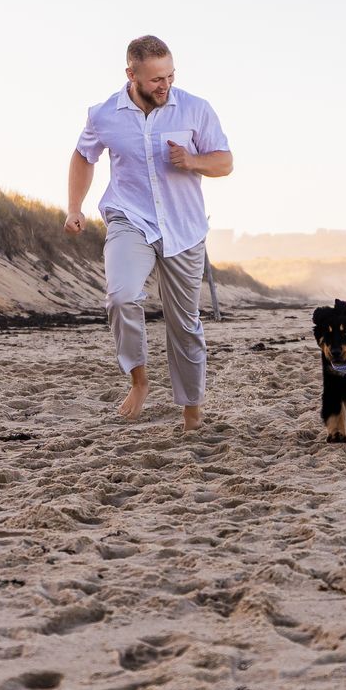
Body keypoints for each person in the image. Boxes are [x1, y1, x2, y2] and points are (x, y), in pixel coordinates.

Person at [65, 35, 233, 431]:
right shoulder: (104, 114)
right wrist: (74, 207)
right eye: (156, 78)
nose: (165, 85)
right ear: (132, 74)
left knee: (184, 322)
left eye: (170, 75)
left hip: (184, 228)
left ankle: (191, 409)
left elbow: (225, 162)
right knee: (121, 296)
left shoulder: (195, 108)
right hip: (130, 219)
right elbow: (82, 156)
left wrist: (193, 161)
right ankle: (139, 381)